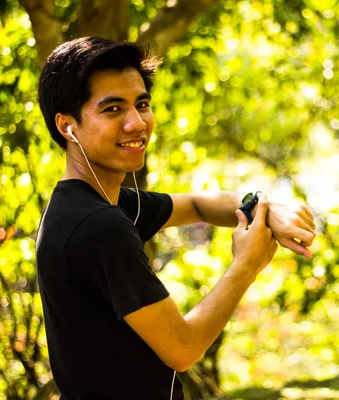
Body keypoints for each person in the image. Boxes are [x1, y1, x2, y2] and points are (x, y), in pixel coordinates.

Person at [35, 36, 316, 400]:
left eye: (142, 104)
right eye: (113, 109)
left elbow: (199, 204)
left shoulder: (87, 205)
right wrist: (246, 265)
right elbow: (183, 349)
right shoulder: (100, 226)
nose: (137, 123)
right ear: (67, 126)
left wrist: (266, 208)